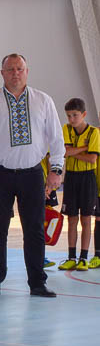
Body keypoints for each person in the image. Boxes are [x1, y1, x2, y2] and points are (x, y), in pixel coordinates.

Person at [0, 53, 64, 298]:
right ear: (2, 73)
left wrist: (56, 169)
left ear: (27, 71)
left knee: (34, 229)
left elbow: (56, 138)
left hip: (32, 174)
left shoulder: (44, 101)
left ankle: (37, 282)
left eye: (19, 69)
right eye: (10, 69)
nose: (15, 73)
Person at [58, 98, 99, 271]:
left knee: (86, 219)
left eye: (75, 115)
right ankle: (71, 257)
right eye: (69, 116)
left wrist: (73, 152)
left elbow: (93, 159)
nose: (71, 119)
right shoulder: (66, 129)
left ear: (83, 114)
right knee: (72, 219)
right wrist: (83, 148)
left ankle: (83, 257)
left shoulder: (94, 133)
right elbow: (65, 152)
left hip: (88, 178)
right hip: (71, 178)